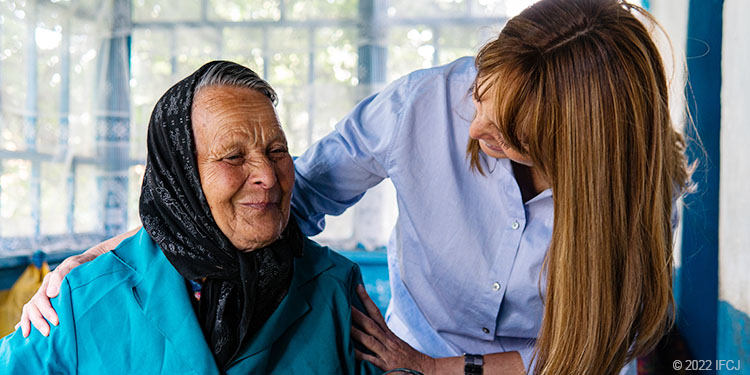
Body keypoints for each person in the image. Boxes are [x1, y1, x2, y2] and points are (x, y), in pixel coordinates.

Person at [18, 0, 691, 374]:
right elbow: (284, 194)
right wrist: (128, 249)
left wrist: (442, 372)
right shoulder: (427, 104)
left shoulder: (630, 188)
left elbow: (595, 344)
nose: (475, 121)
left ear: (574, 150)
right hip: (412, 348)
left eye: (507, 127)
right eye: (483, 90)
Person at [1, 61, 380, 375]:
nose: (267, 174)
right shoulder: (81, 298)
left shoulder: (336, 289)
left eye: (277, 150)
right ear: (180, 177)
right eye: (233, 157)